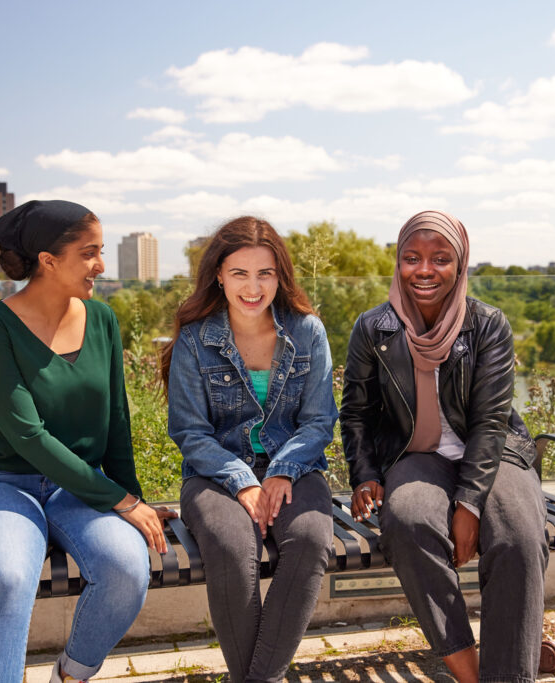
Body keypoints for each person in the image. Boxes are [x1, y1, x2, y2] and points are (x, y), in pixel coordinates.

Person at [0, 200, 175, 683]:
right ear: (48, 260)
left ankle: (71, 675)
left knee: (126, 568)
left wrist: (131, 498)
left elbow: (116, 418)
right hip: (1, 482)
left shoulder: (102, 320)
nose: (101, 264)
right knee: (8, 578)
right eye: (89, 252)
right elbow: (27, 436)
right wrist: (116, 498)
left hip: (79, 487)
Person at [339, 210, 549, 683]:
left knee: (517, 537)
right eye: (412, 258)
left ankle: (513, 673)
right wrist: (365, 474)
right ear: (398, 263)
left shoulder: (488, 325)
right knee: (409, 520)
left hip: (493, 454)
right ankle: (472, 672)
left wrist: (469, 504)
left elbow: (490, 422)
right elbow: (355, 412)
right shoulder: (374, 329)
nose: (424, 269)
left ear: (460, 264)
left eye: (440, 258)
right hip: (414, 457)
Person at [160, 216, 337, 683]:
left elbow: (319, 421)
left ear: (281, 276)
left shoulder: (307, 332)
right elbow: (190, 432)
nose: (253, 287)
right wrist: (242, 482)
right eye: (240, 273)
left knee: (311, 541)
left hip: (295, 469)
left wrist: (281, 471)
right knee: (232, 545)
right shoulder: (196, 338)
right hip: (213, 473)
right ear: (219, 274)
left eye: (265, 273)